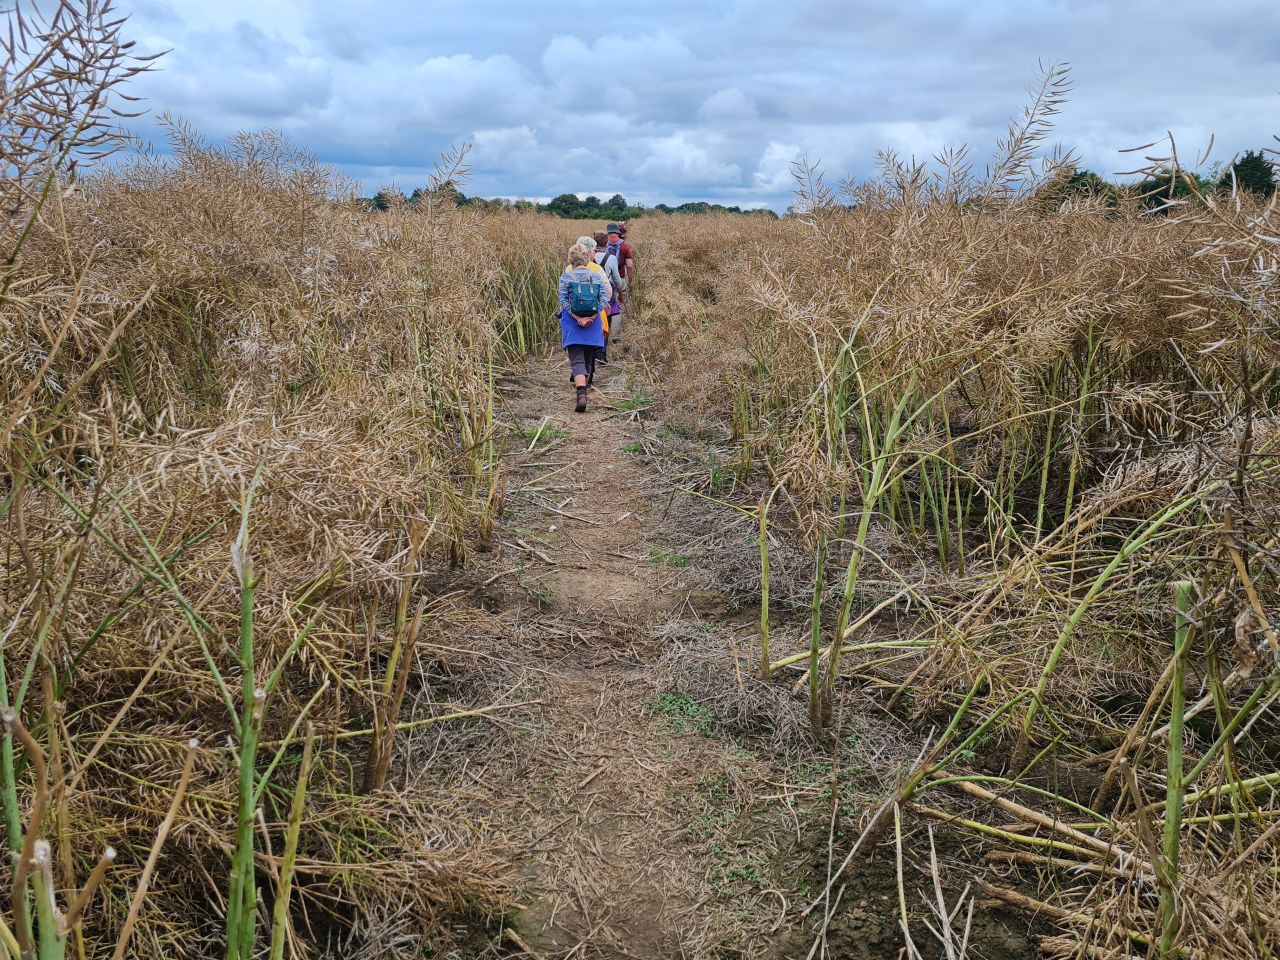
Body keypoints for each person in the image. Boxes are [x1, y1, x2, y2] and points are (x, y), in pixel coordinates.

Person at [558, 243, 610, 413]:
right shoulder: (596, 276)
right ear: (587, 258)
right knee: (588, 359)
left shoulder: (566, 277)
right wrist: (593, 317)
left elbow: (563, 301)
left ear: (571, 259)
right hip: (593, 325)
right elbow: (603, 300)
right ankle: (584, 391)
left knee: (577, 361)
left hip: (573, 325)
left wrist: (577, 318)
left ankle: (581, 395)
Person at [593, 230, 625, 360]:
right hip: (607, 292)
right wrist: (620, 295)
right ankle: (602, 353)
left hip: (590, 291)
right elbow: (617, 280)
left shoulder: (588, 257)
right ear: (606, 243)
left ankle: (593, 351)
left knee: (593, 321)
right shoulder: (611, 258)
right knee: (606, 322)